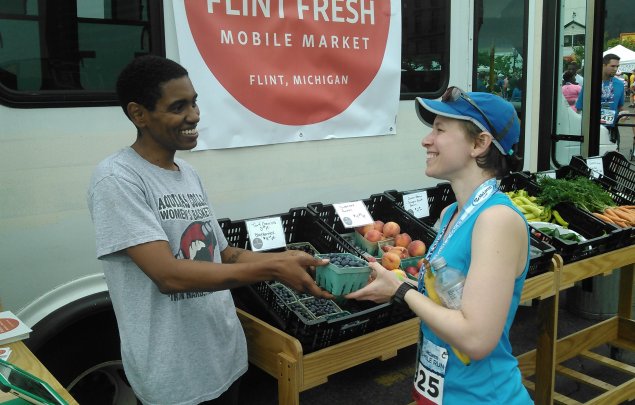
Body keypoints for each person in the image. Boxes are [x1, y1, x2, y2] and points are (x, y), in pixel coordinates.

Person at [87, 55, 331, 405]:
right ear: (138, 114)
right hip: (173, 377)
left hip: (223, 358)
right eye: (178, 106)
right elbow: (168, 276)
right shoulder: (117, 180)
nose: (194, 115)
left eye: (195, 102)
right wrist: (273, 269)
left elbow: (224, 254)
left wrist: (283, 257)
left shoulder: (187, 173)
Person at [347, 88, 532, 404]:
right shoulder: (452, 213)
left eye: (440, 130)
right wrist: (391, 280)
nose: (426, 140)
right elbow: (448, 301)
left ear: (479, 144)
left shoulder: (496, 220)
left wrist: (401, 291)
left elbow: (476, 338)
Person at [575, 53, 625, 143]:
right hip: (592, 129)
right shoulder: (590, 82)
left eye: (617, 66)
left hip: (611, 128)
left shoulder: (620, 84)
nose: (615, 69)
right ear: (603, 65)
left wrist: (623, 115)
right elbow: (579, 107)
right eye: (612, 66)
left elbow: (620, 107)